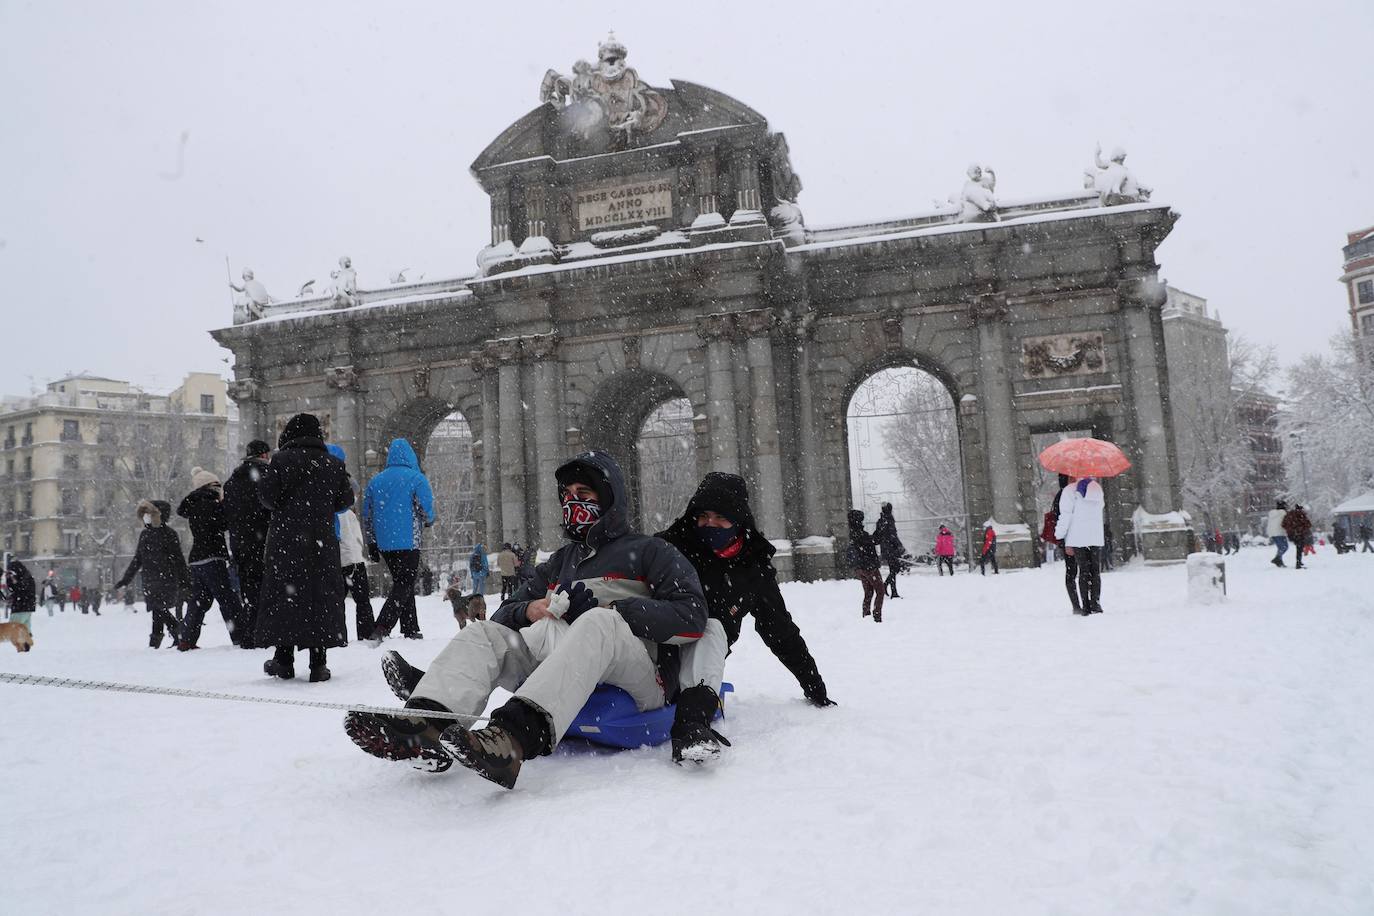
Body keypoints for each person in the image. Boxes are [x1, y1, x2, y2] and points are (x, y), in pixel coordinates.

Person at [344, 451, 707, 789]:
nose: (572, 501)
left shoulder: (650, 552)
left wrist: (619, 610)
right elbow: (503, 616)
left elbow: (692, 615)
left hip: (636, 675)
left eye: (584, 492)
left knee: (599, 622)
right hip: (562, 661)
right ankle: (426, 727)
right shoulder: (560, 562)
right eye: (567, 494)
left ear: (609, 497)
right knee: (486, 633)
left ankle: (511, 740)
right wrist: (531, 609)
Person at [657, 472, 835, 763]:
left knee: (711, 626)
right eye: (703, 516)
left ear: (738, 521)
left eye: (720, 517)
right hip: (654, 647)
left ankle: (692, 725)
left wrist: (813, 684)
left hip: (697, 661)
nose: (709, 524)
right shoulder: (670, 548)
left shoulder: (752, 569)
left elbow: (779, 630)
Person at [254, 414, 354, 682]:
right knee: (319, 597)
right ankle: (318, 663)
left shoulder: (280, 461)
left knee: (286, 596)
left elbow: (266, 498)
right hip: (321, 542)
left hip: (286, 542)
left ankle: (284, 660)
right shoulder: (333, 463)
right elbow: (346, 499)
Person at [361, 438, 435, 643]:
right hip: (409, 540)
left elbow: (367, 514)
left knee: (403, 582)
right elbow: (425, 508)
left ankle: (410, 628)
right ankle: (382, 625)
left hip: (385, 543)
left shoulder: (376, 481)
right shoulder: (416, 478)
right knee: (405, 583)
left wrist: (372, 542)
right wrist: (429, 519)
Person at [177, 467, 248, 650]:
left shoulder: (193, 505)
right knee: (228, 599)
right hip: (212, 557)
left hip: (196, 559)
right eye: (217, 485)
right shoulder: (211, 503)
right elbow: (225, 523)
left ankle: (186, 639)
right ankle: (241, 636)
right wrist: (226, 504)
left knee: (199, 601)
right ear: (210, 486)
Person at [114, 500, 193, 648]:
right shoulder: (145, 535)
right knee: (157, 611)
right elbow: (138, 560)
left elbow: (179, 560)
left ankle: (175, 633)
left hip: (166, 580)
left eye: (148, 514)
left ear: (158, 515)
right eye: (144, 515)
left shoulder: (169, 534)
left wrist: (185, 581)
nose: (145, 518)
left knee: (158, 608)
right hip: (151, 580)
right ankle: (157, 642)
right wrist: (125, 580)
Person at [223, 440, 273, 643]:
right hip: (262, 541)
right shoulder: (266, 477)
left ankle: (249, 633)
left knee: (248, 588)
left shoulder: (232, 482)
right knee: (266, 587)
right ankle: (262, 633)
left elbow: (227, 514)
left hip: (239, 543)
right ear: (263, 456)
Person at [326, 444, 375, 641]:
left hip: (335, 555)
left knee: (336, 601)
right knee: (362, 598)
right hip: (351, 556)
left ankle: (338, 635)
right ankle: (366, 633)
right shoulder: (343, 485)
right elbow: (354, 489)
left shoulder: (320, 483)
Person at [1055, 476, 1105, 615]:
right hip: (1094, 535)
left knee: (1083, 570)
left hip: (1077, 537)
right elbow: (1100, 508)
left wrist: (1059, 534)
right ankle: (1096, 603)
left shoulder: (1069, 491)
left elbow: (1065, 515)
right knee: (1095, 571)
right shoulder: (1097, 488)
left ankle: (1086, 606)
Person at [846, 510, 884, 622]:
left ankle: (866, 615)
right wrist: (880, 527)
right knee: (880, 590)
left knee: (869, 592)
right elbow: (874, 540)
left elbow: (871, 541)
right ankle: (877, 615)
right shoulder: (860, 533)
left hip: (860, 568)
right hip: (869, 567)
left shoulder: (853, 532)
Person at [873, 503, 907, 598]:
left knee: (893, 569)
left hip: (885, 548)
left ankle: (892, 590)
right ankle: (888, 587)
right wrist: (900, 546)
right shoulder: (889, 520)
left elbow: (878, 535)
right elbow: (893, 535)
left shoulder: (880, 521)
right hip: (891, 548)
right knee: (896, 568)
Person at [4, 558, 36, 638]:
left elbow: (17, 589)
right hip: (27, 607)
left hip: (21, 607)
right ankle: (27, 643)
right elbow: (14, 589)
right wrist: (10, 579)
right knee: (25, 628)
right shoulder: (26, 576)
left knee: (13, 627)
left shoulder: (23, 578)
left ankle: (23, 644)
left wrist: (11, 579)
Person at [1281, 503, 1313, 571]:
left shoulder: (1289, 515)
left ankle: (1299, 562)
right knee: (1299, 548)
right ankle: (1298, 563)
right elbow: (1308, 525)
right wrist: (1301, 529)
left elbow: (1283, 524)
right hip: (1300, 534)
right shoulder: (1302, 515)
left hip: (1292, 534)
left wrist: (1290, 530)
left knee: (1299, 547)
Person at [1266, 500, 1290, 568]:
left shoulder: (1272, 513)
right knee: (1284, 547)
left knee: (1280, 548)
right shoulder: (1283, 513)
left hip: (1272, 533)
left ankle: (1279, 561)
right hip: (1280, 532)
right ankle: (1277, 558)